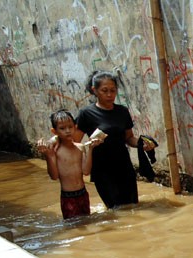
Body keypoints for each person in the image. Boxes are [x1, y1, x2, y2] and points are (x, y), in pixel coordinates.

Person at [73, 70, 155, 209]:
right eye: (104, 90)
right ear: (94, 90)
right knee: (115, 210)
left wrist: (142, 144)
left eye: (113, 90)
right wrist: (88, 151)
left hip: (124, 167)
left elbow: (129, 138)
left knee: (132, 206)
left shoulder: (122, 111)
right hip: (102, 170)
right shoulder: (86, 114)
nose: (110, 95)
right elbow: (75, 143)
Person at [36, 109, 100, 219]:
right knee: (73, 227)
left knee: (87, 221)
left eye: (70, 127)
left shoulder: (79, 147)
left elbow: (86, 171)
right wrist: (48, 156)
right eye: (62, 128)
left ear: (75, 127)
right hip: (68, 197)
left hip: (83, 194)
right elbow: (54, 176)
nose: (67, 131)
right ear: (54, 131)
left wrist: (90, 149)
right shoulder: (55, 151)